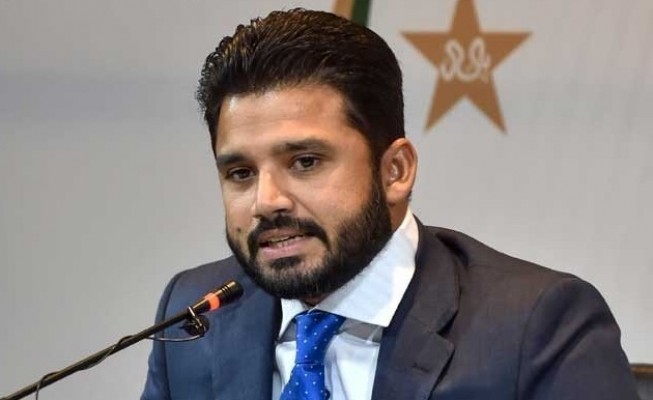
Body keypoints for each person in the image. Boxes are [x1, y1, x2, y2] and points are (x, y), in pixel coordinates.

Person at [141, 8, 638, 400]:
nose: (266, 201)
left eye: (305, 162)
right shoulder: (195, 313)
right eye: (240, 173)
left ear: (395, 171)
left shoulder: (536, 325)